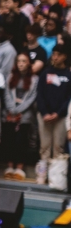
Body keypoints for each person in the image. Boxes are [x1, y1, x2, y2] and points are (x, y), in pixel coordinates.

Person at [34, 44, 71, 185]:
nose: (55, 57)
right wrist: (44, 113)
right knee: (44, 147)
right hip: (44, 116)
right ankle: (42, 176)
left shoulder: (68, 75)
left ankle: (55, 178)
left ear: (65, 56)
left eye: (58, 54)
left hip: (61, 118)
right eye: (54, 54)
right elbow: (40, 95)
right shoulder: (45, 73)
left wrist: (58, 113)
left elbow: (69, 98)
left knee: (58, 148)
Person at [3, 53, 39, 181]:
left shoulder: (34, 79)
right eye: (19, 61)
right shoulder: (10, 77)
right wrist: (12, 108)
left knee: (21, 141)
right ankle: (10, 167)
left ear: (29, 63)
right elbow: (6, 94)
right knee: (9, 141)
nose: (21, 64)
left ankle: (19, 167)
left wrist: (19, 109)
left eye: (24, 61)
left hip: (25, 114)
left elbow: (32, 98)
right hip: (10, 113)